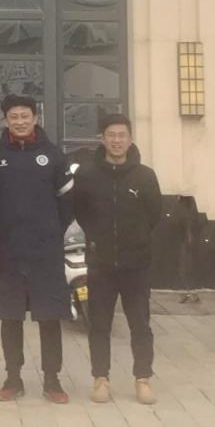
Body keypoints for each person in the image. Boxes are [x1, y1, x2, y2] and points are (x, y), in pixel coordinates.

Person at [0, 95, 75, 405]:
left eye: (25, 116)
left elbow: (67, 205)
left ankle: (52, 380)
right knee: (10, 317)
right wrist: (4, 232)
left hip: (46, 254)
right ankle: (13, 378)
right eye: (13, 116)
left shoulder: (54, 156)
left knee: (50, 317)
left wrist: (48, 232)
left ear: (35, 118)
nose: (19, 121)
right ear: (6, 120)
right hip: (9, 253)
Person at [73, 113, 163, 406]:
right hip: (101, 263)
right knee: (99, 324)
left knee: (140, 324)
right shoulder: (87, 175)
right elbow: (81, 211)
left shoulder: (145, 176)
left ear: (130, 138)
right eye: (111, 135)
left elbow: (154, 214)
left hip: (136, 264)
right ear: (102, 139)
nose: (116, 140)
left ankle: (143, 378)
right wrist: (97, 237)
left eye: (121, 135)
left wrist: (136, 239)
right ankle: (101, 378)